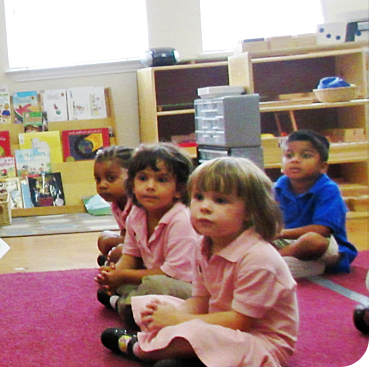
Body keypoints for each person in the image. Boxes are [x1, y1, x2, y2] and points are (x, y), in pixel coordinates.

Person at [102, 157, 298, 367]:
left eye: (220, 200)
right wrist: (174, 315)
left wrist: (176, 321)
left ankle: (139, 348)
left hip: (258, 342)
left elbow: (240, 321)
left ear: (251, 211)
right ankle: (170, 349)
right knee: (153, 305)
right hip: (218, 323)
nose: (204, 207)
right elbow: (201, 300)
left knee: (191, 335)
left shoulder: (259, 258)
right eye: (198, 197)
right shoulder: (205, 245)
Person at [96, 143, 198, 327]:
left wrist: (123, 276)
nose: (150, 186)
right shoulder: (137, 213)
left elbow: (171, 275)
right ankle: (128, 303)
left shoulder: (181, 220)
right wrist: (115, 273)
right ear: (132, 184)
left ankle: (123, 305)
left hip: (186, 286)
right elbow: (131, 255)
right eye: (142, 178)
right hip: (154, 277)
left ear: (180, 189)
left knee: (154, 286)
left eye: (162, 180)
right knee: (129, 281)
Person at [273, 129, 357, 278]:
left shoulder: (328, 189)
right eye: (289, 155)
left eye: (305, 155)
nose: (295, 160)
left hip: (325, 247)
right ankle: (280, 263)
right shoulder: (277, 188)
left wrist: (279, 234)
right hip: (286, 242)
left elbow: (322, 230)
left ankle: (272, 261)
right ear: (281, 165)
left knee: (311, 240)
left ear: (323, 167)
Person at [94, 145, 135, 266]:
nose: (102, 185)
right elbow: (124, 231)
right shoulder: (116, 204)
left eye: (111, 178)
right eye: (98, 179)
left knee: (118, 251)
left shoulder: (138, 204)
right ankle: (111, 261)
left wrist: (120, 245)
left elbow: (144, 241)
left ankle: (113, 262)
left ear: (132, 178)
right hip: (131, 243)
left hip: (145, 248)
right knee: (104, 239)